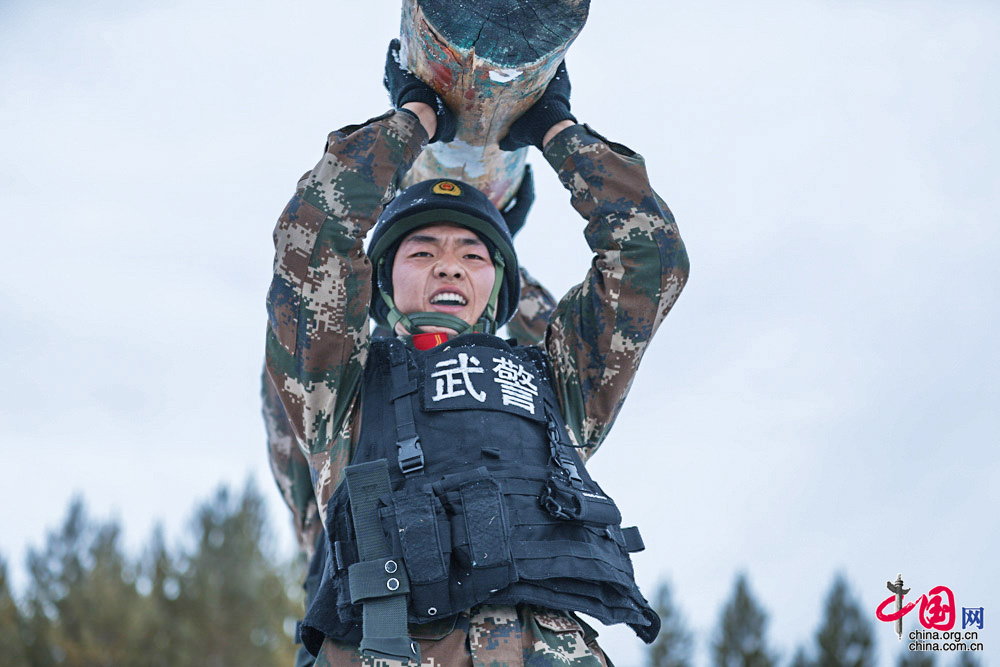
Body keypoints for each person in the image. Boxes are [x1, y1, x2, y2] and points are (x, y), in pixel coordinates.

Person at [264, 40, 689, 665]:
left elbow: (651, 259)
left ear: (498, 284)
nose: (448, 266)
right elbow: (316, 236)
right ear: (381, 282)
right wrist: (414, 118)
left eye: (473, 254)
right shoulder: (339, 387)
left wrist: (557, 131)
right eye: (421, 250)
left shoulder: (555, 378)